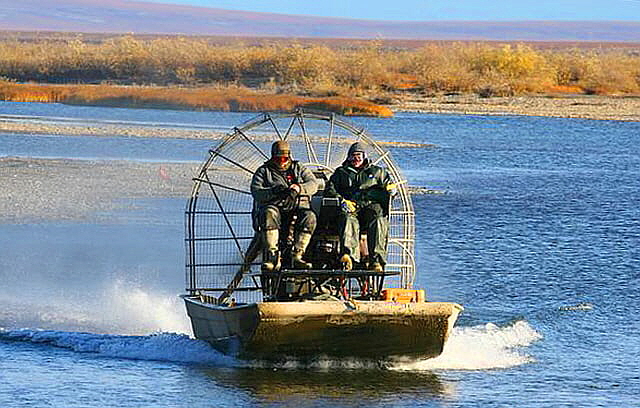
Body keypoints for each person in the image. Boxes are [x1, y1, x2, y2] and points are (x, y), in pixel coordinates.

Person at [325, 142, 393, 272]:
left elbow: (389, 188)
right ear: (348, 157)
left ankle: (376, 261)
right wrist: (342, 200)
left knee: (379, 219)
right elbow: (330, 189)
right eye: (352, 156)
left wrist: (391, 190)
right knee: (347, 218)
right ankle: (348, 257)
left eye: (359, 156)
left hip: (370, 208)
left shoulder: (378, 172)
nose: (355, 159)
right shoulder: (341, 172)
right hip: (350, 208)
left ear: (364, 157)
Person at [251, 140, 318, 271]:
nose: (281, 161)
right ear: (272, 156)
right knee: (268, 213)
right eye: (278, 158)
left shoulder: (299, 168)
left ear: (289, 156)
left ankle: (298, 255)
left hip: (297, 207)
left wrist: (298, 188)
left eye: (284, 158)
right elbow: (256, 191)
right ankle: (272, 256)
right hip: (275, 208)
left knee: (310, 217)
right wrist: (273, 191)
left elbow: (313, 184)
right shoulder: (264, 171)